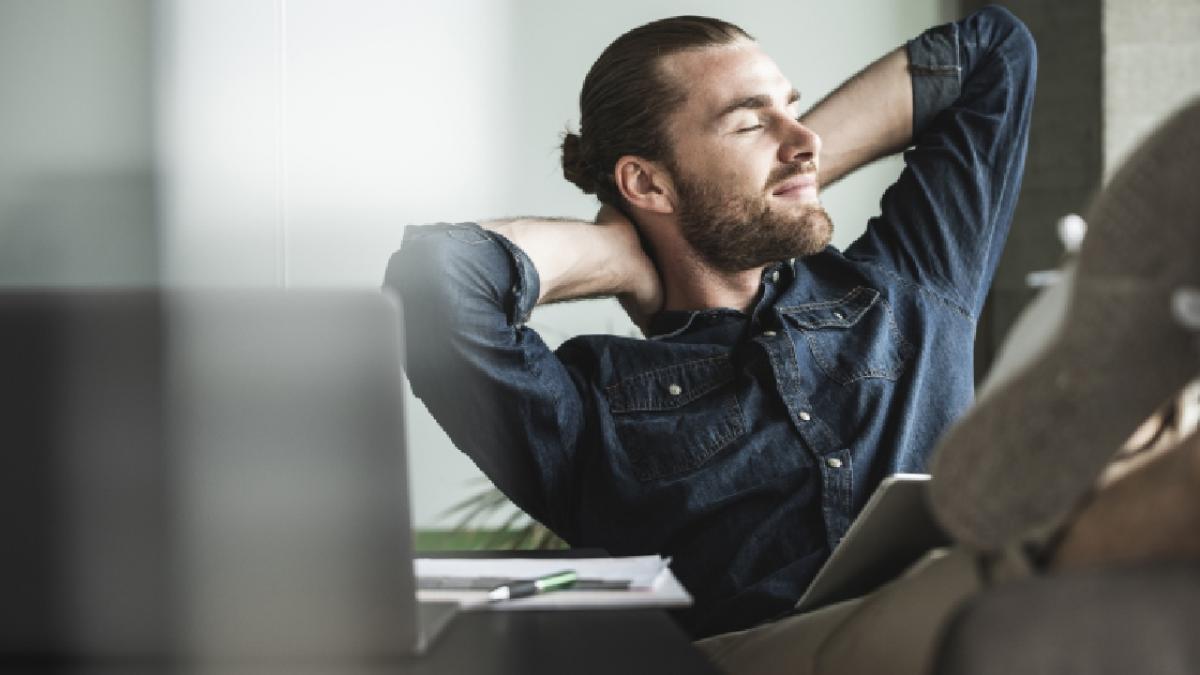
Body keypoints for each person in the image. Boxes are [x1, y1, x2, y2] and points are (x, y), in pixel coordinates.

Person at [387, 5, 1200, 672]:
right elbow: (433, 283)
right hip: (763, 655)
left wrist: (777, 176)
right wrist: (621, 253)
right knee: (1013, 575)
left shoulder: (906, 284)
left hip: (973, 612)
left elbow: (994, 54)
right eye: (750, 122)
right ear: (647, 182)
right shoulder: (589, 400)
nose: (803, 135)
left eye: (796, 108)